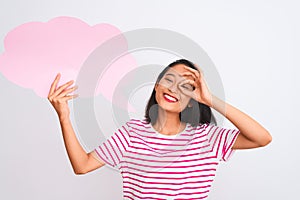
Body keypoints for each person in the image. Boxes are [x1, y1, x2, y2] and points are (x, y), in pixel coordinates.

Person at [48, 59, 272, 199]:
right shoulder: (131, 133)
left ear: (193, 99)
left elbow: (262, 138)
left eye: (185, 86)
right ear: (157, 86)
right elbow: (82, 165)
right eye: (169, 80)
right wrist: (64, 116)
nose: (174, 89)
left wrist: (211, 100)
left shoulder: (207, 137)